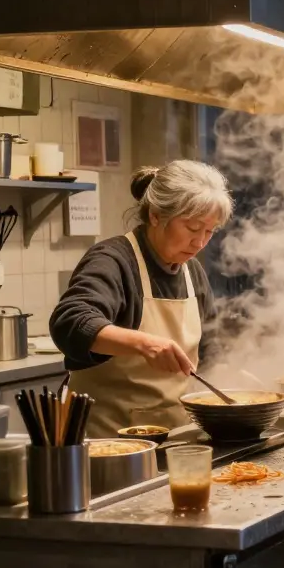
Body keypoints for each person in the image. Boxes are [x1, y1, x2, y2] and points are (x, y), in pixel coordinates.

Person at [50, 161, 233, 438]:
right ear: (156, 216)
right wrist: (145, 344)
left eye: (210, 231)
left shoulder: (191, 271)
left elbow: (210, 347)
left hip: (177, 436)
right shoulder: (113, 260)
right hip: (108, 442)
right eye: (193, 228)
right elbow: (71, 322)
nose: (200, 243)